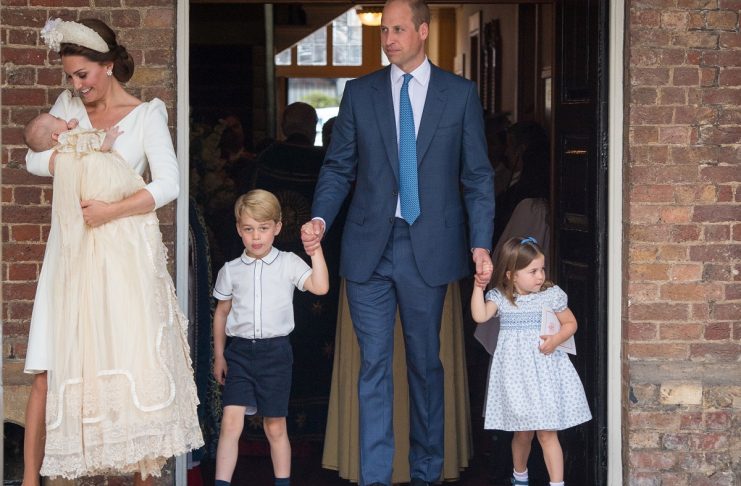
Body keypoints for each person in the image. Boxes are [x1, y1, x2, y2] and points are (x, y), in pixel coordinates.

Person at [301, 1, 495, 484]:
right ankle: (374, 477)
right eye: (384, 30)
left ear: (423, 32)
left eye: (399, 29)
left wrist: (481, 242)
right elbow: (339, 165)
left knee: (426, 366)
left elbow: (476, 177)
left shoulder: (460, 94)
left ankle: (427, 474)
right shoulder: (360, 93)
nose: (389, 38)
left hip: (429, 248)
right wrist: (321, 217)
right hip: (369, 247)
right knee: (373, 369)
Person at [23, 17, 203, 484]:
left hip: (120, 256)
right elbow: (34, 157)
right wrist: (76, 152)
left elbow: (168, 184)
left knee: (130, 361)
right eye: (70, 77)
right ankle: (29, 479)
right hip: (68, 256)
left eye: (82, 75)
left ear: (107, 66)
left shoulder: (146, 115)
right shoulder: (68, 109)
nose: (75, 85)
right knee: (46, 369)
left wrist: (112, 210)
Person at [211, 189, 329, 486]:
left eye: (263, 228)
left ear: (277, 227)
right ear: (239, 229)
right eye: (249, 229)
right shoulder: (231, 270)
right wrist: (219, 355)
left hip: (276, 354)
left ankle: (282, 482)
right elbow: (222, 313)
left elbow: (320, 287)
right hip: (239, 354)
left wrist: (315, 252)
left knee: (275, 426)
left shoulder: (288, 262)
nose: (256, 237)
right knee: (230, 422)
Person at [470, 237, 592, 486]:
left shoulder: (550, 295)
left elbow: (571, 323)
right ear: (512, 275)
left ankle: (557, 484)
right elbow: (480, 315)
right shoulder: (501, 298)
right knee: (522, 431)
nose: (540, 276)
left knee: (547, 432)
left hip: (545, 372)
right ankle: (520, 477)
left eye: (542, 269)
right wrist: (478, 287)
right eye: (533, 271)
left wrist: (556, 339)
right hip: (516, 375)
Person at [24, 112, 120, 154]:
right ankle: (105, 143)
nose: (61, 118)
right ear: (56, 135)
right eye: (57, 119)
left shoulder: (61, 145)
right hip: (100, 149)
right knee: (88, 141)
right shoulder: (66, 140)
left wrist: (75, 126)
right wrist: (107, 139)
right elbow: (83, 142)